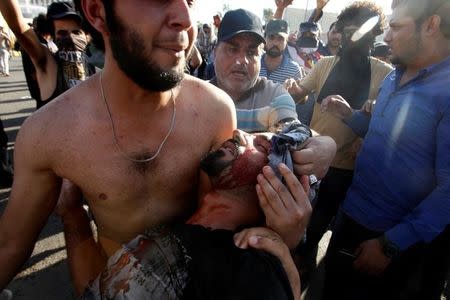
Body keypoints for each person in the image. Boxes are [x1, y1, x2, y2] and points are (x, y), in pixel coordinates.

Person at [0, 0, 335, 294]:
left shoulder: (214, 110)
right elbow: (10, 246)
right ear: (97, 12)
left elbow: (224, 213)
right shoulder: (49, 132)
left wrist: (282, 234)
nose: (184, 18)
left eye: (189, 0)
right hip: (108, 281)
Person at [63, 127, 312, 299]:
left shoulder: (250, 272)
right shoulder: (185, 222)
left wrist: (285, 262)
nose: (237, 132)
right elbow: (99, 290)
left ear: (280, 186)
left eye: (260, 144)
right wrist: (73, 214)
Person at [320, 0, 450, 298]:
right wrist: (349, 116)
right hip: (350, 218)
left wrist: (391, 244)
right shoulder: (395, 75)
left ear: (431, 25)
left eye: (395, 27)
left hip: (391, 246)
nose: (386, 37)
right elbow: (390, 135)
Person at [284, 0, 393, 283]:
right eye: (346, 31)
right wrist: (293, 91)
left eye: (359, 31)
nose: (350, 37)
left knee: (322, 222)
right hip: (311, 160)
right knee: (300, 217)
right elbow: (302, 94)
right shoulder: (324, 64)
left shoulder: (385, 75)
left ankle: (304, 265)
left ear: (374, 35)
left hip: (347, 169)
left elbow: (387, 125)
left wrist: (363, 127)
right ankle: (291, 264)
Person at [0, 1, 93, 106]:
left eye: (76, 32)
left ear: (87, 36)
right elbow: (19, 27)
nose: (71, 38)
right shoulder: (48, 63)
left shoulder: (98, 72)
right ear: (53, 36)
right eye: (62, 33)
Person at [259, 19, 306, 84]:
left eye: (280, 39)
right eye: (271, 37)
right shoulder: (253, 64)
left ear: (286, 41)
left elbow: (300, 93)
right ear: (264, 39)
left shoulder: (294, 70)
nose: (275, 43)